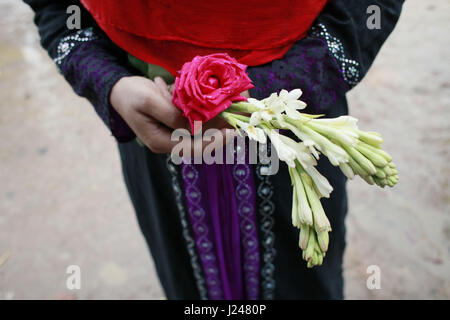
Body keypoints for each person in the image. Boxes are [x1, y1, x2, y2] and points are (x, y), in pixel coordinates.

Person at [24, 0, 404, 299]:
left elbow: (369, 7)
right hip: (150, 120)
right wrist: (109, 82)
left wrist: (275, 87)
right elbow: (56, 7)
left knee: (306, 279)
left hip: (299, 118)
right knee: (183, 279)